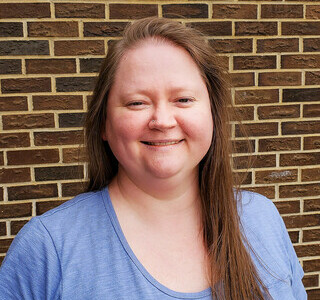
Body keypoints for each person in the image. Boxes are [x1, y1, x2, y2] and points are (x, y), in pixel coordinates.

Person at [0, 17, 306, 300]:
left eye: (183, 99)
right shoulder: (47, 250)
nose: (162, 120)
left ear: (212, 114)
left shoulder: (262, 220)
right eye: (137, 102)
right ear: (104, 123)